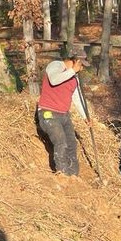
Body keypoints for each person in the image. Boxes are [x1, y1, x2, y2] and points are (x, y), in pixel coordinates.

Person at [36, 44, 91, 178]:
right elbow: (54, 80)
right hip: (48, 113)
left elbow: (76, 97)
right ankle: (63, 176)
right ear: (75, 61)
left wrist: (85, 116)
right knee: (61, 141)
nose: (82, 68)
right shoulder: (55, 66)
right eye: (81, 64)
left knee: (71, 143)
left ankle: (73, 176)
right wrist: (73, 71)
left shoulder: (74, 77)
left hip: (64, 115)